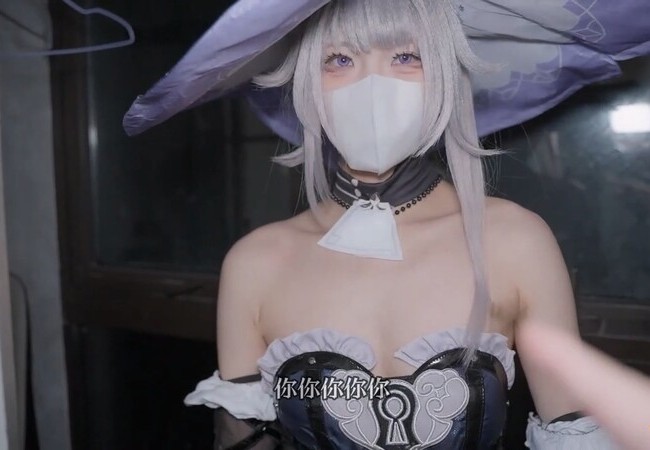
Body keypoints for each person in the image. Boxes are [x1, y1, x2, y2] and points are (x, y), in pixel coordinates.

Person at [124, 1, 650, 448]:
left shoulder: (515, 241)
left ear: (445, 72)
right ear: (306, 81)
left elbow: (572, 434)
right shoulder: (255, 261)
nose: (370, 85)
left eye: (405, 57)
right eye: (339, 59)